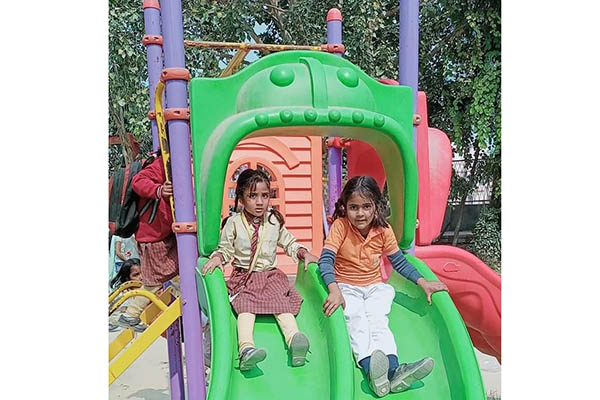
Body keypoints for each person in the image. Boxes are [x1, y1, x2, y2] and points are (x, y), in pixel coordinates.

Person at [318, 176, 448, 397]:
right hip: (347, 286)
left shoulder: (383, 230)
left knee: (378, 323)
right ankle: (371, 370)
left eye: (366, 207)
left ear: (376, 206)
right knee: (357, 321)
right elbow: (326, 260)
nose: (360, 213)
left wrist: (422, 282)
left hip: (374, 287)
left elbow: (399, 261)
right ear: (345, 207)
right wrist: (334, 289)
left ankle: (393, 371)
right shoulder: (341, 227)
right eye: (353, 207)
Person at [202, 168, 320, 371]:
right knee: (245, 308)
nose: (259, 202)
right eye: (252, 196)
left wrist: (303, 253)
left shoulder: (273, 221)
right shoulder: (234, 223)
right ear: (241, 197)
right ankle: (246, 349)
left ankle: (295, 341)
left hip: (270, 276)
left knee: (282, 305)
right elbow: (226, 249)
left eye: (264, 196)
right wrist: (218, 258)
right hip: (245, 278)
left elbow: (289, 243)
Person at [116, 153, 178, 333]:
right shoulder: (163, 163)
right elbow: (138, 181)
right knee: (157, 279)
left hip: (161, 234)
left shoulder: (173, 164)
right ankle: (130, 314)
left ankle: (131, 313)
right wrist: (159, 190)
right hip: (153, 236)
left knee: (160, 277)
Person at [109, 258, 142, 332]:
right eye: (136, 275)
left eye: (144, 273)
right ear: (127, 278)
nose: (141, 277)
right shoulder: (123, 296)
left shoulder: (147, 291)